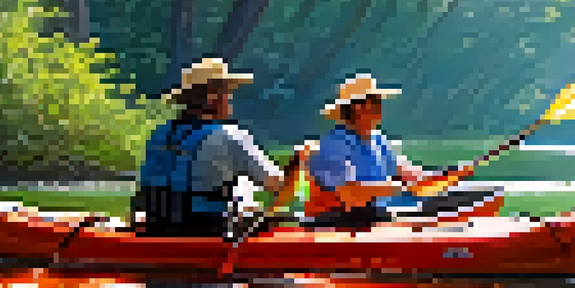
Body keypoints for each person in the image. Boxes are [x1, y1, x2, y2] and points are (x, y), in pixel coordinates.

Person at [305, 73, 496, 227]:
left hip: (374, 217)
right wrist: (401, 187)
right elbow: (351, 195)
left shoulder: (378, 139)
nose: (381, 107)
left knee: (485, 193)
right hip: (337, 222)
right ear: (357, 107)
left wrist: (449, 175)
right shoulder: (333, 145)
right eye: (376, 101)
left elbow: (410, 174)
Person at [134, 58, 285, 239]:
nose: (230, 100)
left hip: (156, 231)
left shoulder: (158, 135)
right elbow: (275, 183)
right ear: (212, 97)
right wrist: (298, 162)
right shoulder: (229, 136)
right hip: (205, 235)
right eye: (227, 93)